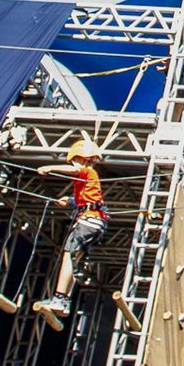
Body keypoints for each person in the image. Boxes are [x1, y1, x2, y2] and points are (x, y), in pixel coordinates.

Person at [34, 136, 107, 319]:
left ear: (82, 159)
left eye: (75, 160)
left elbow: (75, 171)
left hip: (89, 221)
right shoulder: (88, 181)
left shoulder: (88, 173)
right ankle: (64, 301)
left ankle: (59, 297)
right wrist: (71, 201)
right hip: (95, 221)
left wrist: (50, 168)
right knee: (75, 259)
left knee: (69, 255)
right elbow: (89, 200)